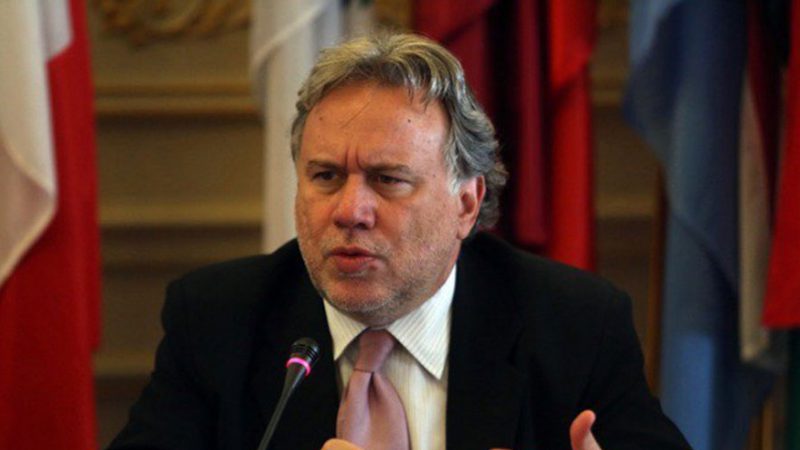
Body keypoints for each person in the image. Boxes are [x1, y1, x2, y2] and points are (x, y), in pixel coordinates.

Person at [107, 33, 692, 450]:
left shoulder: (574, 325)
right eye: (325, 176)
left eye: (388, 180)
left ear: (466, 203)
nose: (349, 212)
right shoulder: (219, 319)